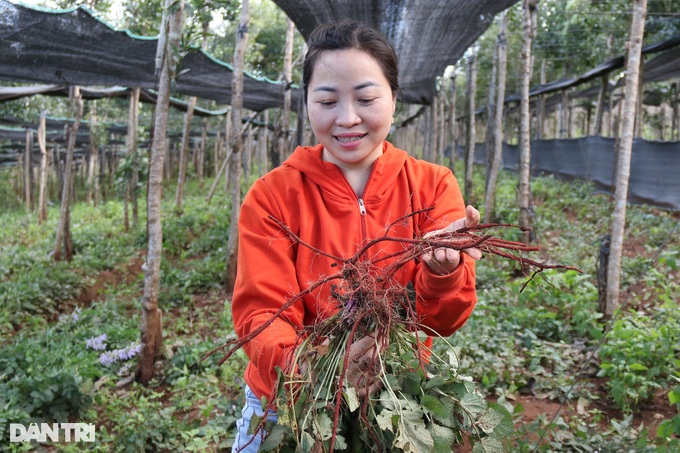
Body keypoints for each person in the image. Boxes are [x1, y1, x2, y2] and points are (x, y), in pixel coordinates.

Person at [230, 19, 480, 452]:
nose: (347, 119)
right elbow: (262, 315)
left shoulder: (433, 186)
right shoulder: (273, 195)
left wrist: (443, 272)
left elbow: (442, 320)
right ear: (306, 103)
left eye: (366, 98)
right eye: (327, 101)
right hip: (291, 400)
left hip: (397, 396)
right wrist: (317, 366)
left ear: (394, 99)